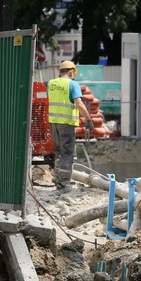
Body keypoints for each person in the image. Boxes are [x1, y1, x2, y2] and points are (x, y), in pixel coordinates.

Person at [48, 60, 93, 190]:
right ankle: (63, 183)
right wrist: (88, 119)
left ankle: (57, 177)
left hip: (53, 122)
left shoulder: (51, 83)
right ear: (71, 71)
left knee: (58, 151)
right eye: (73, 72)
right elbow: (79, 103)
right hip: (66, 123)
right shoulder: (72, 84)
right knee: (67, 153)